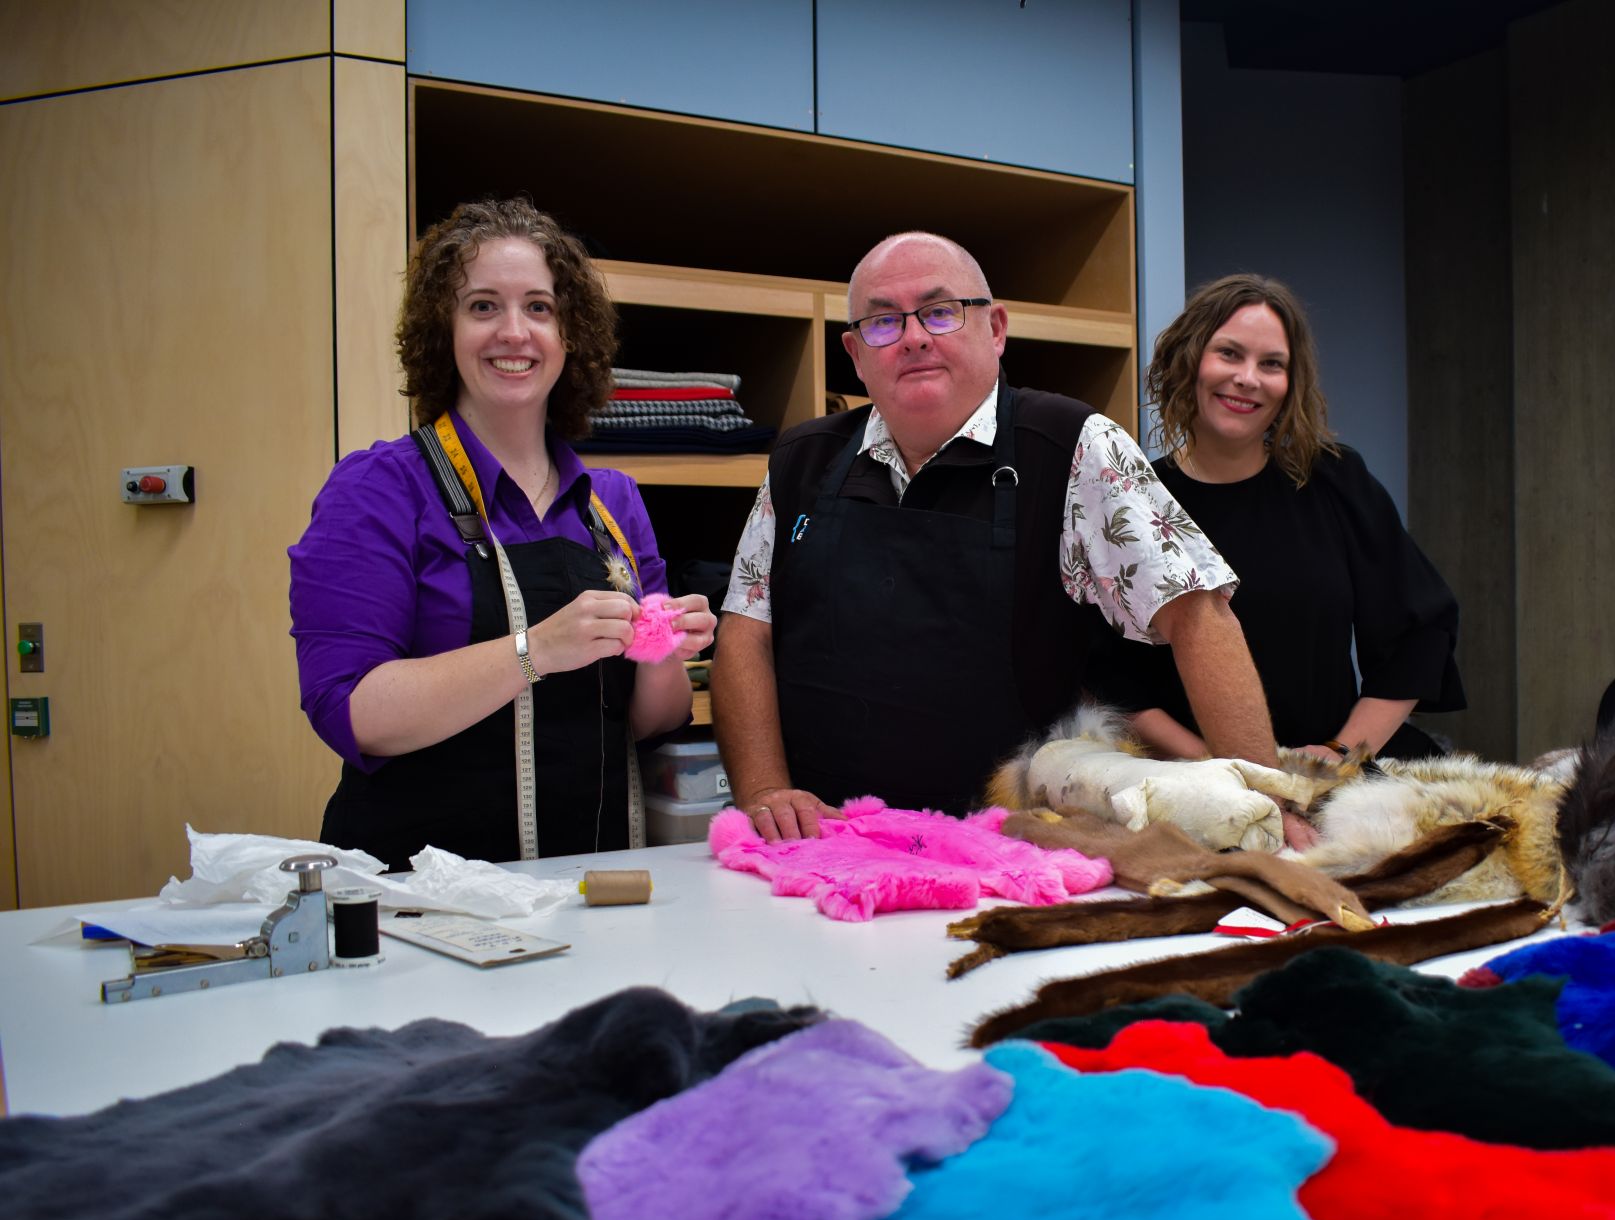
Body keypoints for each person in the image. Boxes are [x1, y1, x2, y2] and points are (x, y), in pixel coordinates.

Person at [713, 231, 1301, 842]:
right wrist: (763, 790)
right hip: (828, 844)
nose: (914, 336)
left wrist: (1265, 809)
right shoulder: (801, 460)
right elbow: (746, 629)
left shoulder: (1075, 446)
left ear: (995, 328)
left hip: (1017, 846)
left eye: (940, 312)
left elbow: (1199, 615)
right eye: (882, 322)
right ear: (856, 353)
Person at [289, 197, 715, 869]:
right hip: (418, 902)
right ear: (444, 330)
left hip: (588, 884)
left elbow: (642, 722)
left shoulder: (612, 505)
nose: (514, 331)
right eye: (483, 306)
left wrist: (664, 644)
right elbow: (353, 710)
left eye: (539, 308)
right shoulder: (378, 490)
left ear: (569, 334)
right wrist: (535, 649)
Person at [1104, 273, 1464, 764]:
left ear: (1290, 384)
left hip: (1334, 775)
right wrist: (1235, 771)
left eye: (1271, 364)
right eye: (1229, 353)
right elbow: (1113, 682)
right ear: (1188, 360)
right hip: (1198, 782)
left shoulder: (1335, 479)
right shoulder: (1138, 504)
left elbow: (1419, 633)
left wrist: (1341, 753)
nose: (1248, 378)